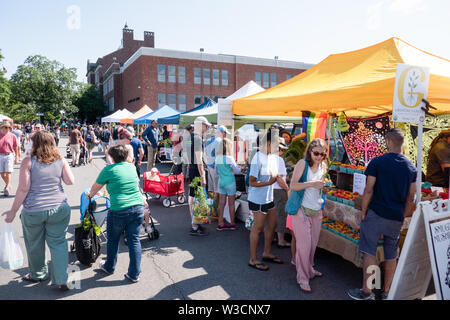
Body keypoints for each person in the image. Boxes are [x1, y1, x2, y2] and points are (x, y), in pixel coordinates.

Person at [347, 128, 417, 300]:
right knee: (391, 254)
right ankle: (387, 292)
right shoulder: (410, 166)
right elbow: (411, 196)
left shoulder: (377, 162)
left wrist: (363, 210)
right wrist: (403, 215)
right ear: (402, 143)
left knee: (369, 252)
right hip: (396, 217)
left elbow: (369, 189)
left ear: (388, 141)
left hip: (376, 214)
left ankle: (367, 291)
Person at [1, 131, 75, 291]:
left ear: (34, 144)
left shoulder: (28, 161)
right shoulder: (60, 160)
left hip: (34, 209)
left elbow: (23, 188)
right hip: (59, 208)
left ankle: (38, 274)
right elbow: (70, 181)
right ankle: (63, 279)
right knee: (59, 243)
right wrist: (63, 163)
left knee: (34, 243)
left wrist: (13, 211)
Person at [88, 144, 145, 283]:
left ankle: (109, 266)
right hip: (137, 207)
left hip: (119, 209)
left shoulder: (109, 169)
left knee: (113, 239)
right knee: (134, 240)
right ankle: (134, 273)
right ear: (126, 155)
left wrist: (89, 195)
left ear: (112, 157)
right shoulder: (131, 167)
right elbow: (136, 182)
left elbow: (96, 187)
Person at [288, 138, 328, 293]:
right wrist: (312, 184)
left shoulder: (323, 166)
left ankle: (310, 269)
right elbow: (293, 185)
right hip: (301, 210)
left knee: (312, 245)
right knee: (304, 246)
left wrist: (323, 187)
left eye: (322, 154)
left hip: (317, 210)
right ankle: (303, 278)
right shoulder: (302, 164)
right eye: (316, 153)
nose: (319, 157)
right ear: (310, 151)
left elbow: (319, 186)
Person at [247, 128, 281, 272]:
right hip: (258, 199)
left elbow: (272, 175)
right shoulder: (257, 157)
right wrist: (269, 182)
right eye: (276, 144)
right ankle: (253, 259)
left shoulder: (271, 157)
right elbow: (252, 182)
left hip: (269, 197)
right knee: (258, 228)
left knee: (273, 225)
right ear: (268, 143)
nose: (278, 147)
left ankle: (266, 252)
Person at [187, 116, 211, 236]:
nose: (207, 128)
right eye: (206, 126)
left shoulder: (191, 137)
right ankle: (195, 225)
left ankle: (195, 223)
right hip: (196, 170)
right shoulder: (196, 138)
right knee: (195, 198)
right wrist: (203, 176)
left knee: (194, 197)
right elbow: (199, 159)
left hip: (192, 169)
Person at [215, 138, 241, 230]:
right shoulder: (230, 158)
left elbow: (217, 172)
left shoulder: (217, 158)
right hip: (230, 182)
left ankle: (220, 223)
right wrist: (242, 167)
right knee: (231, 204)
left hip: (221, 182)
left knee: (221, 203)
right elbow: (237, 171)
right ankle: (232, 223)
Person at [273, 137, 291, 248]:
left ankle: (272, 236)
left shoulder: (268, 158)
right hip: (279, 190)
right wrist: (287, 188)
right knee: (280, 214)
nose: (282, 152)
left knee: (273, 214)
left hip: (270, 189)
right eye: (282, 150)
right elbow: (279, 178)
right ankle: (281, 240)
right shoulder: (278, 160)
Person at [0, 121, 19, 196]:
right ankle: (8, 183)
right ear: (1, 128)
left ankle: (7, 188)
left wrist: (17, 156)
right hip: (0, 155)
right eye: (5, 127)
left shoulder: (12, 136)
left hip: (9, 155)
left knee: (8, 172)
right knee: (2, 173)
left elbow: (16, 147)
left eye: (8, 127)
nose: (7, 129)